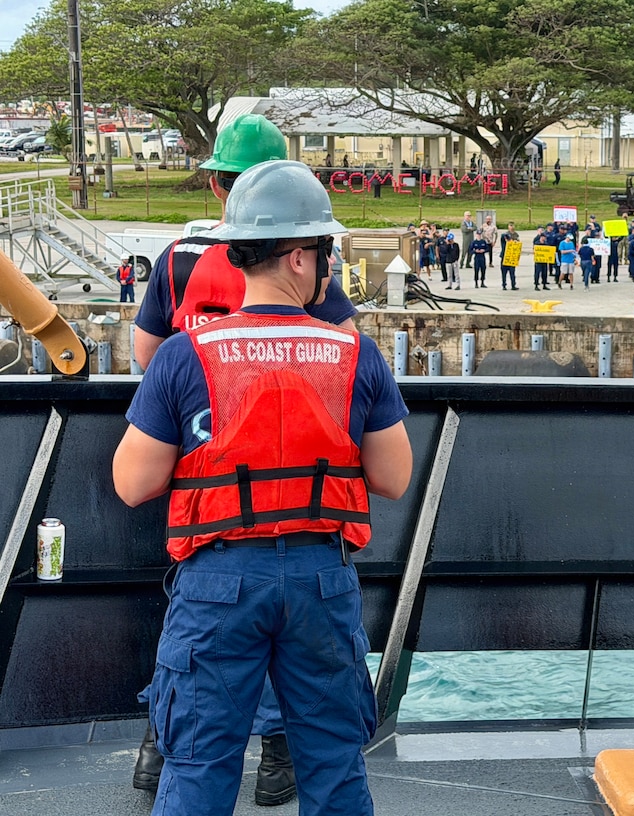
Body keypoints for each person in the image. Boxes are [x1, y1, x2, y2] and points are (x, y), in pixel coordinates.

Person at [112, 160, 413, 816]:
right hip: (321, 582)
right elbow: (392, 477)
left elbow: (133, 483)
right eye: (327, 251)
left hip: (217, 585)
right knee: (333, 769)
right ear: (301, 257)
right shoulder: (356, 354)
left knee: (197, 768)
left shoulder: (184, 355)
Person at [132, 114, 357, 371]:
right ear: (284, 187)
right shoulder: (298, 262)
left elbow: (148, 355)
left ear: (215, 186)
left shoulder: (177, 258)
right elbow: (348, 355)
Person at [499, 223, 519, 290]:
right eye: (510, 226)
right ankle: (504, 285)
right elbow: (502, 236)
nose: (511, 227)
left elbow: (518, 243)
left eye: (512, 225)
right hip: (505, 256)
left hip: (512, 256)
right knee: (504, 272)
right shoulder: (505, 235)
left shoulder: (516, 234)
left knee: (512, 272)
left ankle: (513, 285)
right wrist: (507, 238)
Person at [531, 226, 550, 291]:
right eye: (543, 237)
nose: (544, 238)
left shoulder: (546, 244)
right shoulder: (537, 243)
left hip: (544, 261)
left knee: (544, 273)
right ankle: (536, 285)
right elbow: (534, 250)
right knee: (537, 273)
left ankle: (544, 284)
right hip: (538, 261)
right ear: (541, 237)